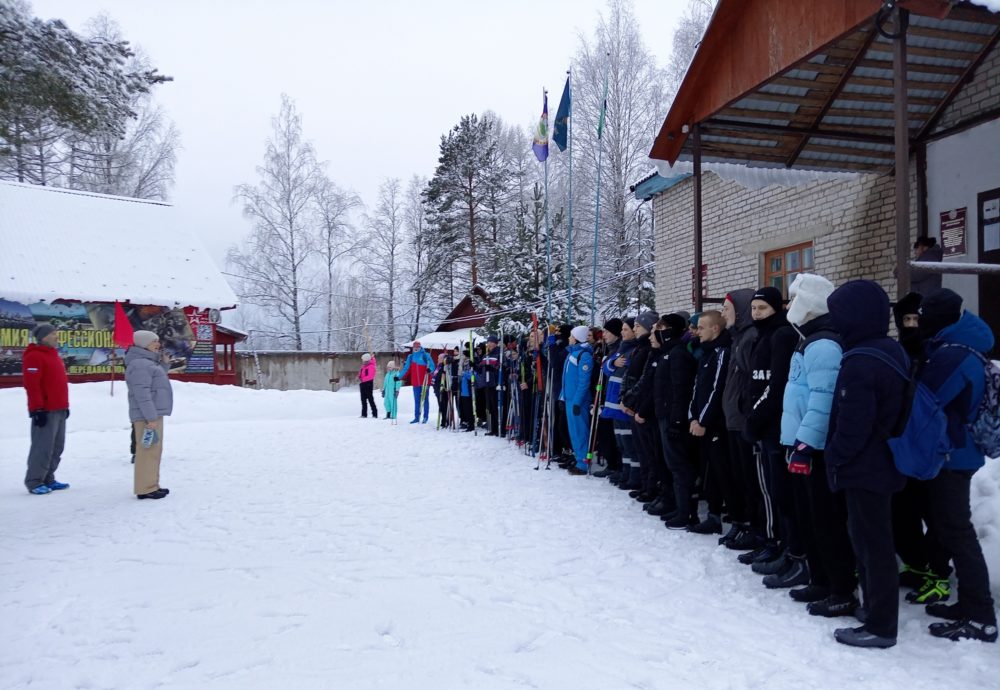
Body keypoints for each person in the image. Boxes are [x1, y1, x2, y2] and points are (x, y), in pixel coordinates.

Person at [825, 280, 909, 649]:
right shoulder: (888, 349)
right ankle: (874, 609)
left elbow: (853, 424)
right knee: (872, 542)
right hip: (883, 462)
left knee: (872, 545)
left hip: (865, 466)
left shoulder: (860, 360)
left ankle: (880, 625)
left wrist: (834, 456)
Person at [916, 288, 998, 643]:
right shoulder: (956, 347)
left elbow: (927, 397)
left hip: (954, 453)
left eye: (924, 316)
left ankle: (980, 616)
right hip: (953, 451)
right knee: (948, 528)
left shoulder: (954, 355)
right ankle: (968, 603)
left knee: (957, 531)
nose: (919, 322)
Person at [779, 274, 856, 601]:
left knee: (826, 521)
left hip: (815, 449)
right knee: (810, 518)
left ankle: (839, 589)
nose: (790, 305)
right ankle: (820, 579)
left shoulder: (823, 343)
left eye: (795, 298)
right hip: (802, 443)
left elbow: (822, 401)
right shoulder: (808, 337)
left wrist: (806, 445)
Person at [742, 286, 798, 567]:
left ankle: (781, 544)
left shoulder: (782, 335)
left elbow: (776, 386)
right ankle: (771, 539)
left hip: (774, 427)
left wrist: (754, 419)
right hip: (762, 424)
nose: (756, 314)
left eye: (762, 309)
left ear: (777, 308)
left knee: (778, 491)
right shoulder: (760, 337)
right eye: (753, 309)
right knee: (768, 489)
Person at [721, 290, 759, 550]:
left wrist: (745, 411)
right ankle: (743, 523)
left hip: (744, 421)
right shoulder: (737, 338)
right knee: (737, 477)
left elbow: (752, 383)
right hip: (733, 420)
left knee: (750, 481)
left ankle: (755, 529)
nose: (724, 314)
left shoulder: (750, 339)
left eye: (727, 308)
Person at [687, 310, 731, 535]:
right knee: (708, 470)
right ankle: (713, 516)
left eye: (701, 328)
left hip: (715, 424)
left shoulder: (722, 352)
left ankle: (731, 517)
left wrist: (702, 420)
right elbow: (697, 388)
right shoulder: (706, 353)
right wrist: (692, 416)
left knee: (720, 471)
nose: (696, 332)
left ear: (715, 328)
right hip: (701, 423)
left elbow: (717, 388)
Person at [22, 323, 70, 495]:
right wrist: (37, 409)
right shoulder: (34, 356)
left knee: (57, 447)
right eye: (53, 333)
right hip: (45, 410)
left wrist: (65, 406)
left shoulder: (53, 354)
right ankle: (34, 481)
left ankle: (48, 477)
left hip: (59, 409)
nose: (57, 336)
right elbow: (32, 386)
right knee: (42, 447)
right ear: (43, 337)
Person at [125, 330, 173, 500]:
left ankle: (152, 485)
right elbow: (142, 393)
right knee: (147, 451)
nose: (158, 344)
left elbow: (154, 382)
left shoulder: (147, 362)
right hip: (147, 415)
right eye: (154, 341)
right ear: (144, 343)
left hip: (152, 413)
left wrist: (164, 364)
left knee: (153, 450)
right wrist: (151, 417)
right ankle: (145, 488)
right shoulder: (139, 364)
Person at [601, 318, 639, 488]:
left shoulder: (634, 350)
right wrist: (612, 363)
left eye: (626, 329)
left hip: (624, 403)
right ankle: (625, 471)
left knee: (630, 442)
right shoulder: (621, 350)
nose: (623, 333)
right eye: (622, 329)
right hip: (613, 404)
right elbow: (606, 368)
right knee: (621, 441)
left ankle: (634, 475)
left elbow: (630, 371)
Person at [560, 325, 595, 475]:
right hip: (569, 398)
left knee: (580, 431)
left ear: (577, 338)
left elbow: (584, 382)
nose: (569, 338)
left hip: (577, 401)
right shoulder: (571, 354)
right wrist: (562, 396)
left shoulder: (584, 356)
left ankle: (583, 463)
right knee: (573, 431)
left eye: (571, 336)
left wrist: (578, 401)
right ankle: (578, 457)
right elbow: (565, 379)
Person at [399, 341, 435, 424]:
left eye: (417, 347)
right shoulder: (411, 357)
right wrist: (399, 377)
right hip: (415, 382)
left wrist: (430, 369)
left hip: (425, 381)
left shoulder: (425, 355)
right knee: (417, 400)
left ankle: (425, 417)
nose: (416, 348)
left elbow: (432, 365)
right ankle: (416, 417)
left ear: (420, 347)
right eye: (414, 347)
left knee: (425, 399)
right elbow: (406, 369)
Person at [358, 352, 378, 419]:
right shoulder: (364, 366)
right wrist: (359, 377)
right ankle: (364, 414)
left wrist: (363, 379)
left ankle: (374, 414)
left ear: (366, 360)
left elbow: (370, 376)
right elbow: (361, 373)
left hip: (368, 384)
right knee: (363, 400)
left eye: (363, 360)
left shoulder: (371, 367)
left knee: (370, 399)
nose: (362, 361)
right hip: (363, 384)